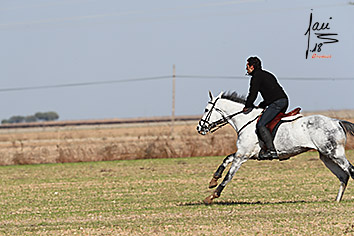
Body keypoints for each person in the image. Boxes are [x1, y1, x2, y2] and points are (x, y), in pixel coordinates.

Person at [243, 56, 289, 160]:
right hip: (283, 101)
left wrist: (247, 106)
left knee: (261, 124)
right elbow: (271, 93)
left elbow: (252, 94)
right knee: (270, 124)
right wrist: (262, 105)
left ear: (252, 66)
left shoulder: (256, 77)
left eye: (247, 66)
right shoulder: (267, 74)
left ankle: (272, 151)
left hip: (277, 103)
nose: (246, 69)